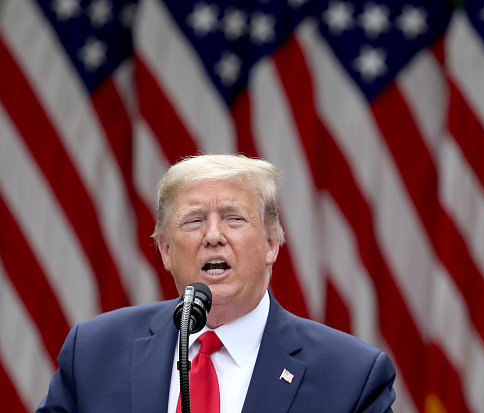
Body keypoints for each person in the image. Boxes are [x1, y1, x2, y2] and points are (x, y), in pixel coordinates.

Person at [36, 154, 396, 413]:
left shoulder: (351, 376)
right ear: (165, 250)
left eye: (234, 218)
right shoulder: (94, 352)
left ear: (272, 243)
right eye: (193, 221)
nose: (213, 236)